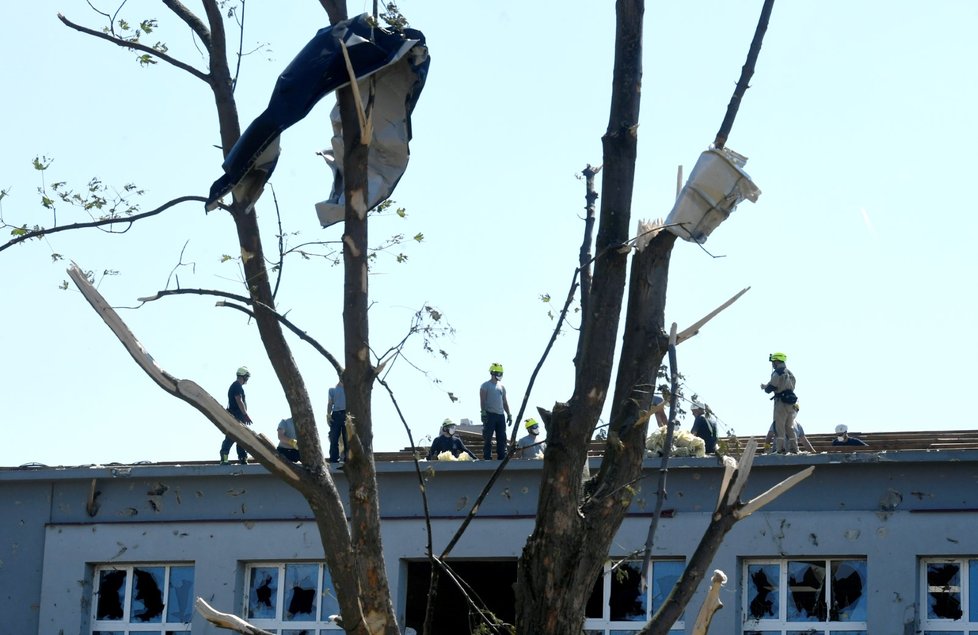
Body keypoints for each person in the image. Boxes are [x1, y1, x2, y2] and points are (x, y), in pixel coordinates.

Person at [761, 352, 798, 454]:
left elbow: (771, 387)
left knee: (779, 427)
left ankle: (780, 449)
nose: (772, 364)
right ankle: (794, 449)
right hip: (791, 403)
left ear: (777, 361)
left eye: (773, 361)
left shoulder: (777, 372)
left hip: (781, 402)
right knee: (789, 427)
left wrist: (765, 388)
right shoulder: (790, 373)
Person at [221, 366, 253, 465]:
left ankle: (243, 458)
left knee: (242, 438)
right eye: (247, 377)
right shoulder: (236, 386)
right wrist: (245, 414)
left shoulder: (236, 386)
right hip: (236, 417)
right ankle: (224, 459)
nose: (247, 380)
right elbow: (239, 401)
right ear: (244, 376)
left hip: (238, 416)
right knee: (231, 437)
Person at [479, 363, 512, 460]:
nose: (500, 375)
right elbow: (483, 400)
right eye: (499, 372)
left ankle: (501, 457)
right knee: (488, 437)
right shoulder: (485, 385)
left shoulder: (501, 387)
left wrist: (509, 414)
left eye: (501, 373)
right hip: (490, 414)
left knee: (502, 437)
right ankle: (487, 457)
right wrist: (483, 412)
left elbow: (504, 402)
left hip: (500, 416)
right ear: (493, 372)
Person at [327, 378, 347, 464]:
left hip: (347, 414)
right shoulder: (332, 390)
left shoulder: (349, 390)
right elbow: (330, 403)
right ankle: (334, 458)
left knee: (347, 438)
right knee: (334, 438)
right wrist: (328, 414)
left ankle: (348, 458)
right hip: (335, 414)